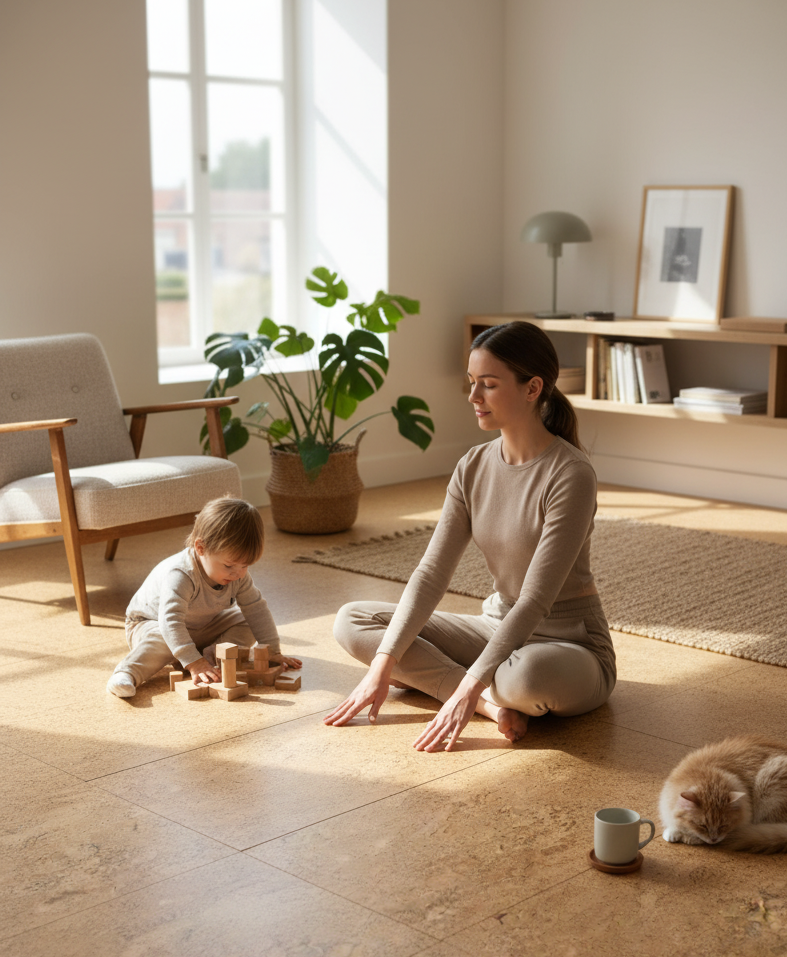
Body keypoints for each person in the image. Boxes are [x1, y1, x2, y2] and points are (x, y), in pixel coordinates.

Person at [324, 319, 616, 751]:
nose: (473, 397)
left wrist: (461, 683)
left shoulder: (571, 474)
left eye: (489, 385)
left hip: (567, 641)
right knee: (354, 621)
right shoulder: (473, 466)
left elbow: (536, 600)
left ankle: (470, 687)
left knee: (524, 678)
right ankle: (487, 704)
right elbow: (431, 574)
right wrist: (382, 667)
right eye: (472, 382)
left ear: (533, 388)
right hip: (497, 624)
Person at [106, 496, 301, 698]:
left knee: (248, 621)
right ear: (201, 548)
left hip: (199, 625)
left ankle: (212, 653)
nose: (239, 574)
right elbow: (170, 621)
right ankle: (127, 672)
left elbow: (256, 608)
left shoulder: (238, 575)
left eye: (246, 565)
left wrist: (273, 651)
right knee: (164, 638)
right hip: (150, 624)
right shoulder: (181, 574)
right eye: (229, 565)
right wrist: (193, 662)